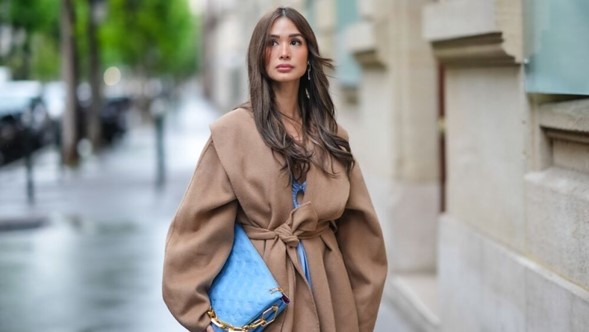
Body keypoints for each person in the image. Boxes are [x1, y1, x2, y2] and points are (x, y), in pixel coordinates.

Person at [162, 6, 387, 332]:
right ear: (259, 54)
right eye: (273, 42)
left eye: (295, 42)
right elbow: (194, 231)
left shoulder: (332, 135)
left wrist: (358, 317)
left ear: (309, 53)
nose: (284, 52)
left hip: (330, 301)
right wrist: (205, 321)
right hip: (265, 304)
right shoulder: (232, 133)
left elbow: (363, 238)